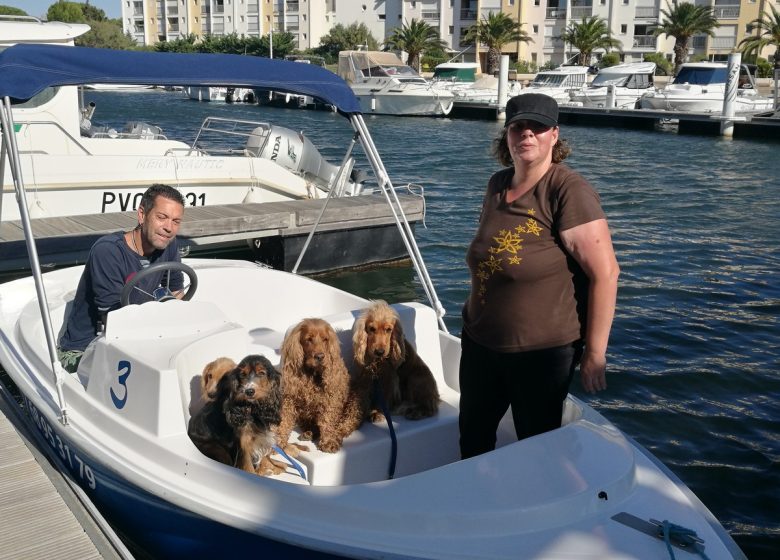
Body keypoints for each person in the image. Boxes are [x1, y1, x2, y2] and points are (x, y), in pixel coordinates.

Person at [459, 93, 620, 459]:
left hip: (539, 356)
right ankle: (478, 506)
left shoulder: (567, 190)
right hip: (480, 343)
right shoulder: (497, 184)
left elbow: (606, 273)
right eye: (518, 127)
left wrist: (595, 352)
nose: (526, 134)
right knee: (473, 439)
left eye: (537, 127)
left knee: (536, 449)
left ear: (554, 135)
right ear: (507, 135)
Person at [57, 184, 186, 373]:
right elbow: (114, 321)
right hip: (84, 348)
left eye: (176, 221)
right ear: (142, 215)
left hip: (133, 335)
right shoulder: (108, 251)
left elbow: (177, 293)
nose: (169, 228)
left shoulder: (169, 244)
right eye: (162, 217)